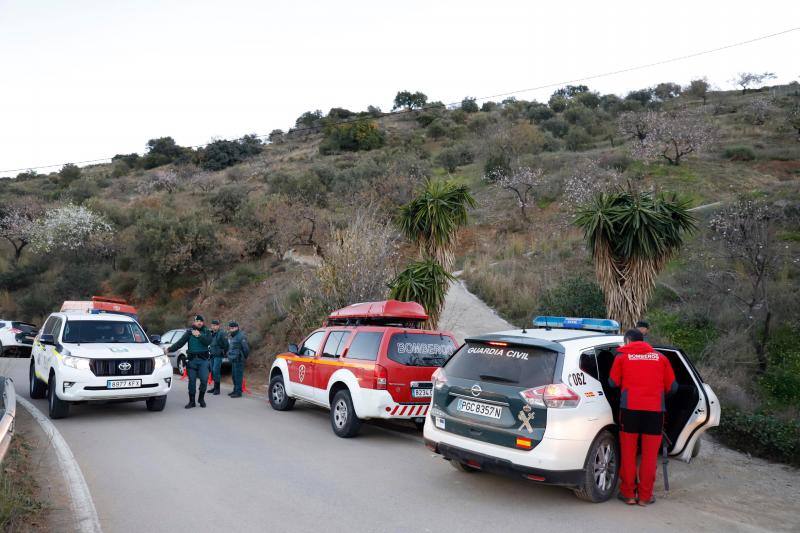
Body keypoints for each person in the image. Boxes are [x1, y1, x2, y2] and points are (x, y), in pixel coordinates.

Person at [609, 328, 677, 506]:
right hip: (654, 413)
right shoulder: (661, 358)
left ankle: (628, 494)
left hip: (629, 411)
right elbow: (673, 387)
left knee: (628, 453)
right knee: (649, 456)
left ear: (628, 341)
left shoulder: (622, 357)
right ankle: (645, 497)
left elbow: (612, 383)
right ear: (644, 340)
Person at [167, 315, 213, 409]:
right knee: (191, 382)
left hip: (203, 361)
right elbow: (180, 343)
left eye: (201, 321)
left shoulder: (207, 332)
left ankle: (201, 399)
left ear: (203, 322)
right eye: (197, 321)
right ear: (194, 322)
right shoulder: (189, 333)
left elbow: (208, 342)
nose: (199, 323)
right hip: (192, 361)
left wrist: (199, 335)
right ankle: (192, 402)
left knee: (204, 380)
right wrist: (169, 349)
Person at [226, 321, 249, 398]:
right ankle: (235, 390)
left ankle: (238, 392)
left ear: (237, 328)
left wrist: (243, 358)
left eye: (232, 328)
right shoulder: (233, 336)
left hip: (239, 359)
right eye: (230, 328)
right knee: (234, 376)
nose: (231, 329)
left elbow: (246, 349)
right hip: (233, 359)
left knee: (238, 377)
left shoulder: (241, 336)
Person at [208, 319, 228, 395]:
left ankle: (217, 389)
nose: (213, 327)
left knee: (216, 371)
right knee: (212, 371)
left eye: (215, 325)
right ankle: (214, 387)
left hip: (218, 355)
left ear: (218, 326)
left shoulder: (222, 333)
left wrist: (223, 352)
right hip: (212, 355)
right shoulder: (212, 333)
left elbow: (226, 344)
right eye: (212, 325)